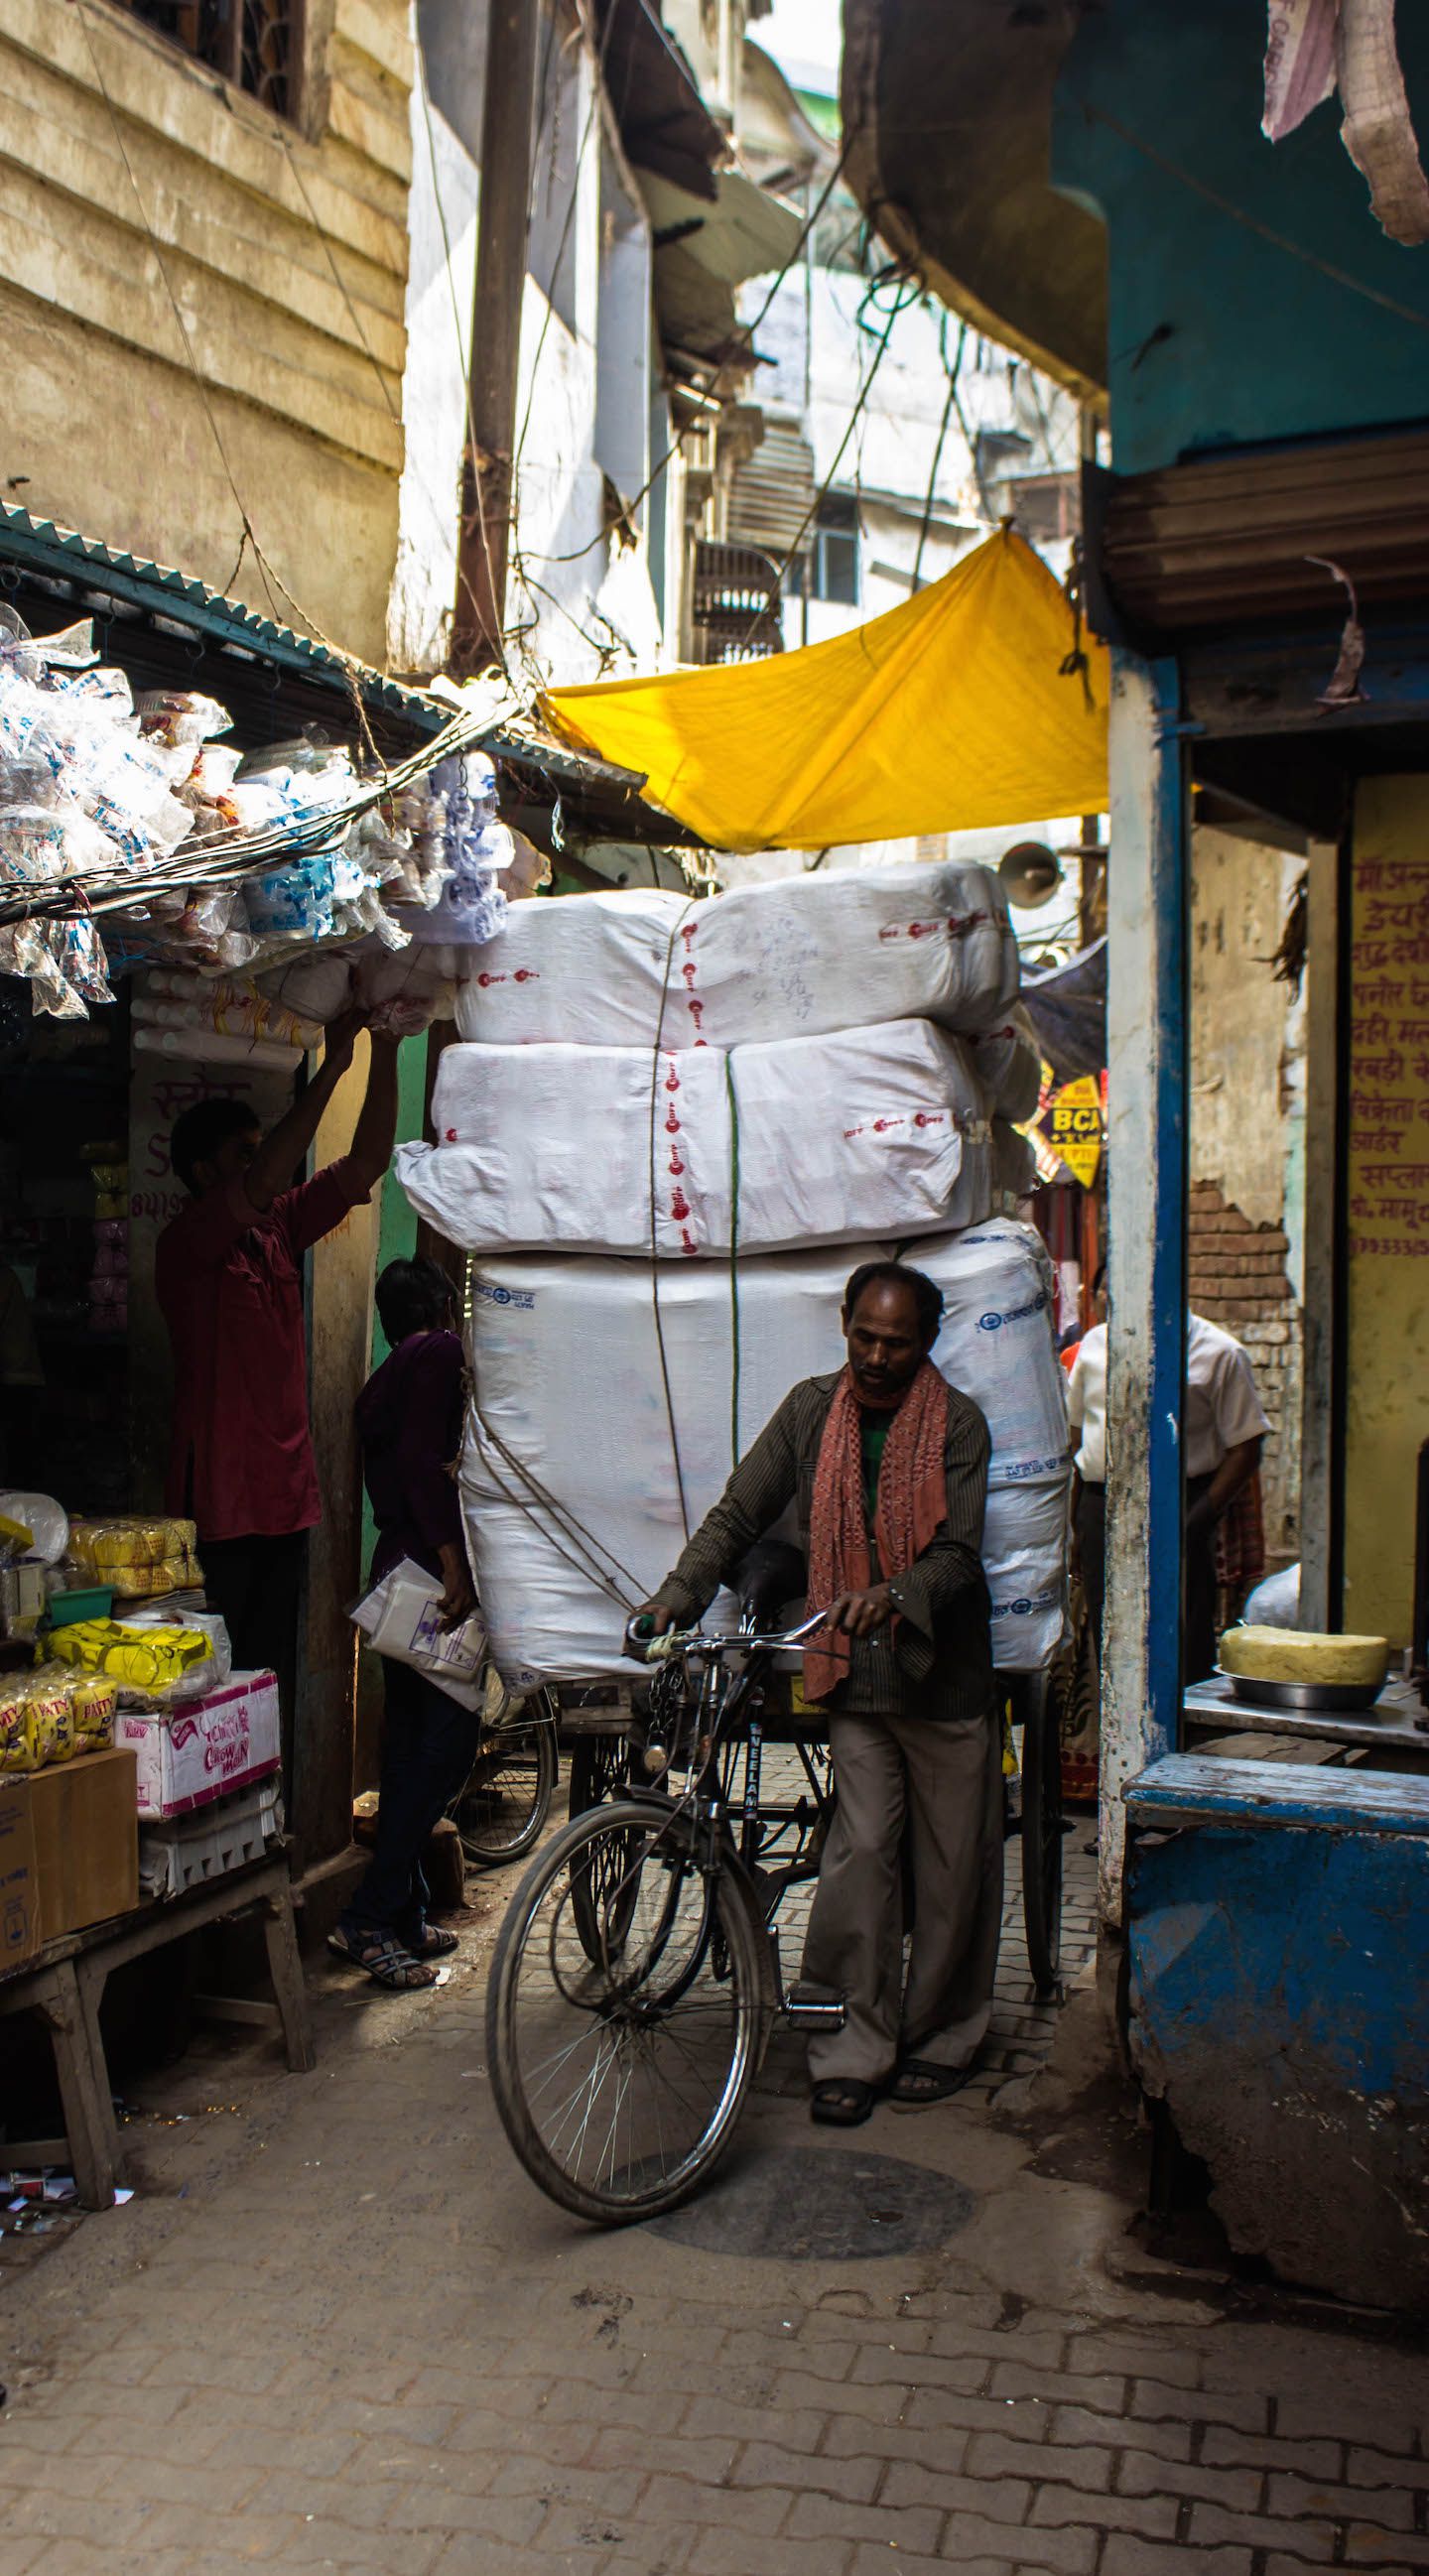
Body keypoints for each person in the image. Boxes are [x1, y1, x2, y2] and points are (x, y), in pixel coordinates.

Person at [638, 1261, 999, 2128]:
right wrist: (676, 1594)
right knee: (859, 1856)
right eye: (865, 1337)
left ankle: (944, 2035)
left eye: (897, 1342)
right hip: (854, 1676)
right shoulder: (809, 1412)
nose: (877, 1356)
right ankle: (849, 2041)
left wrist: (897, 1593)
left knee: (953, 1871)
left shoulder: (959, 1425)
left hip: (944, 1679)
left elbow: (957, 1557)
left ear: (929, 1342)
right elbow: (737, 1513)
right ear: (843, 1324)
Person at [155, 1014, 401, 1698]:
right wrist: (333, 1067)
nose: (261, 1165)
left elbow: (367, 1163)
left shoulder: (278, 1231)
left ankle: (273, 1805)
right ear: (205, 1173)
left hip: (285, 1499)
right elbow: (265, 1181)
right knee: (218, 1684)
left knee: (269, 1679)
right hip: (221, 1508)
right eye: (243, 1154)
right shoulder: (188, 1243)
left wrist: (387, 1049)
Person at [329, 1257, 478, 1992]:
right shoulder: (439, 1354)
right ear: (444, 1305)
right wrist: (455, 1563)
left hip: (395, 1572)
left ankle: (407, 1910)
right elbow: (425, 1466)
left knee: (410, 1747)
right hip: (427, 1580)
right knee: (445, 1748)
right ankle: (369, 1917)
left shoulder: (387, 1375)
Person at [1068, 1294, 1268, 1684]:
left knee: (1180, 1633)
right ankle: (1116, 1735)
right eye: (1109, 1288)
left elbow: (1245, 1448)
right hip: (1101, 1504)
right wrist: (1076, 1525)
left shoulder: (1220, 1352)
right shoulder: (1095, 1344)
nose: (1116, 1296)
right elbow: (1078, 1436)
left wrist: (1197, 1520)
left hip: (1180, 1505)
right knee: (1107, 1630)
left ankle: (1184, 1733)